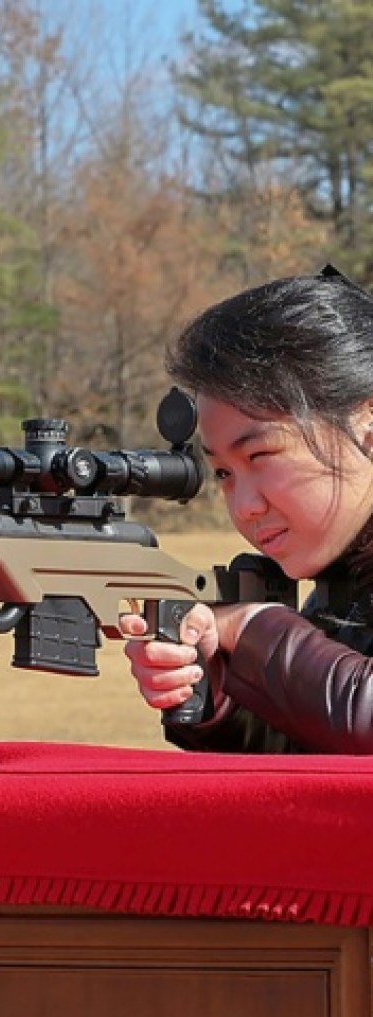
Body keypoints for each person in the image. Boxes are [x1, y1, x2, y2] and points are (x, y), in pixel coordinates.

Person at [122, 265, 373, 753]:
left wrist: (254, 629)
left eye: (260, 456)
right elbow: (317, 761)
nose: (245, 507)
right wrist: (218, 694)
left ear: (367, 423)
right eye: (223, 474)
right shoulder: (342, 577)